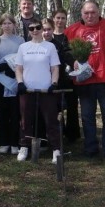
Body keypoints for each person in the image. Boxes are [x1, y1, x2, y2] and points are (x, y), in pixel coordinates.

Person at [64, 1, 105, 159]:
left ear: (99, 12)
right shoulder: (72, 31)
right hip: (85, 82)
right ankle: (90, 148)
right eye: (86, 13)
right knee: (87, 117)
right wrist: (72, 60)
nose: (90, 15)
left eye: (93, 12)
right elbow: (66, 52)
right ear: (81, 14)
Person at [14, 21, 62, 163]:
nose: (35, 30)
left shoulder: (50, 46)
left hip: (46, 90)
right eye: (31, 28)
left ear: (42, 29)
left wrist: (54, 83)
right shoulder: (23, 47)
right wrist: (20, 82)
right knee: (25, 120)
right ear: (28, 31)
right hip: (27, 90)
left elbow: (55, 68)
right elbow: (18, 68)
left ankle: (56, 149)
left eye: (38, 27)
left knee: (51, 120)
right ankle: (24, 147)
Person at [0, 13, 23, 155]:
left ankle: (15, 142)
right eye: (4, 23)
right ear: (1, 25)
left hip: (16, 79)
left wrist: (13, 70)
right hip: (0, 80)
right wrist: (0, 67)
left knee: (15, 112)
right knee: (2, 111)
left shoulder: (20, 40)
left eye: (10, 23)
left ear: (14, 25)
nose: (7, 26)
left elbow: (24, 58)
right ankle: (4, 141)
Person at [52, 8, 81, 142]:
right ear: (53, 19)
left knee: (72, 105)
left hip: (70, 76)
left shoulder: (71, 35)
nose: (60, 21)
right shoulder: (48, 35)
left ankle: (72, 134)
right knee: (56, 106)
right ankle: (59, 131)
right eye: (58, 18)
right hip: (54, 76)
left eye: (63, 18)